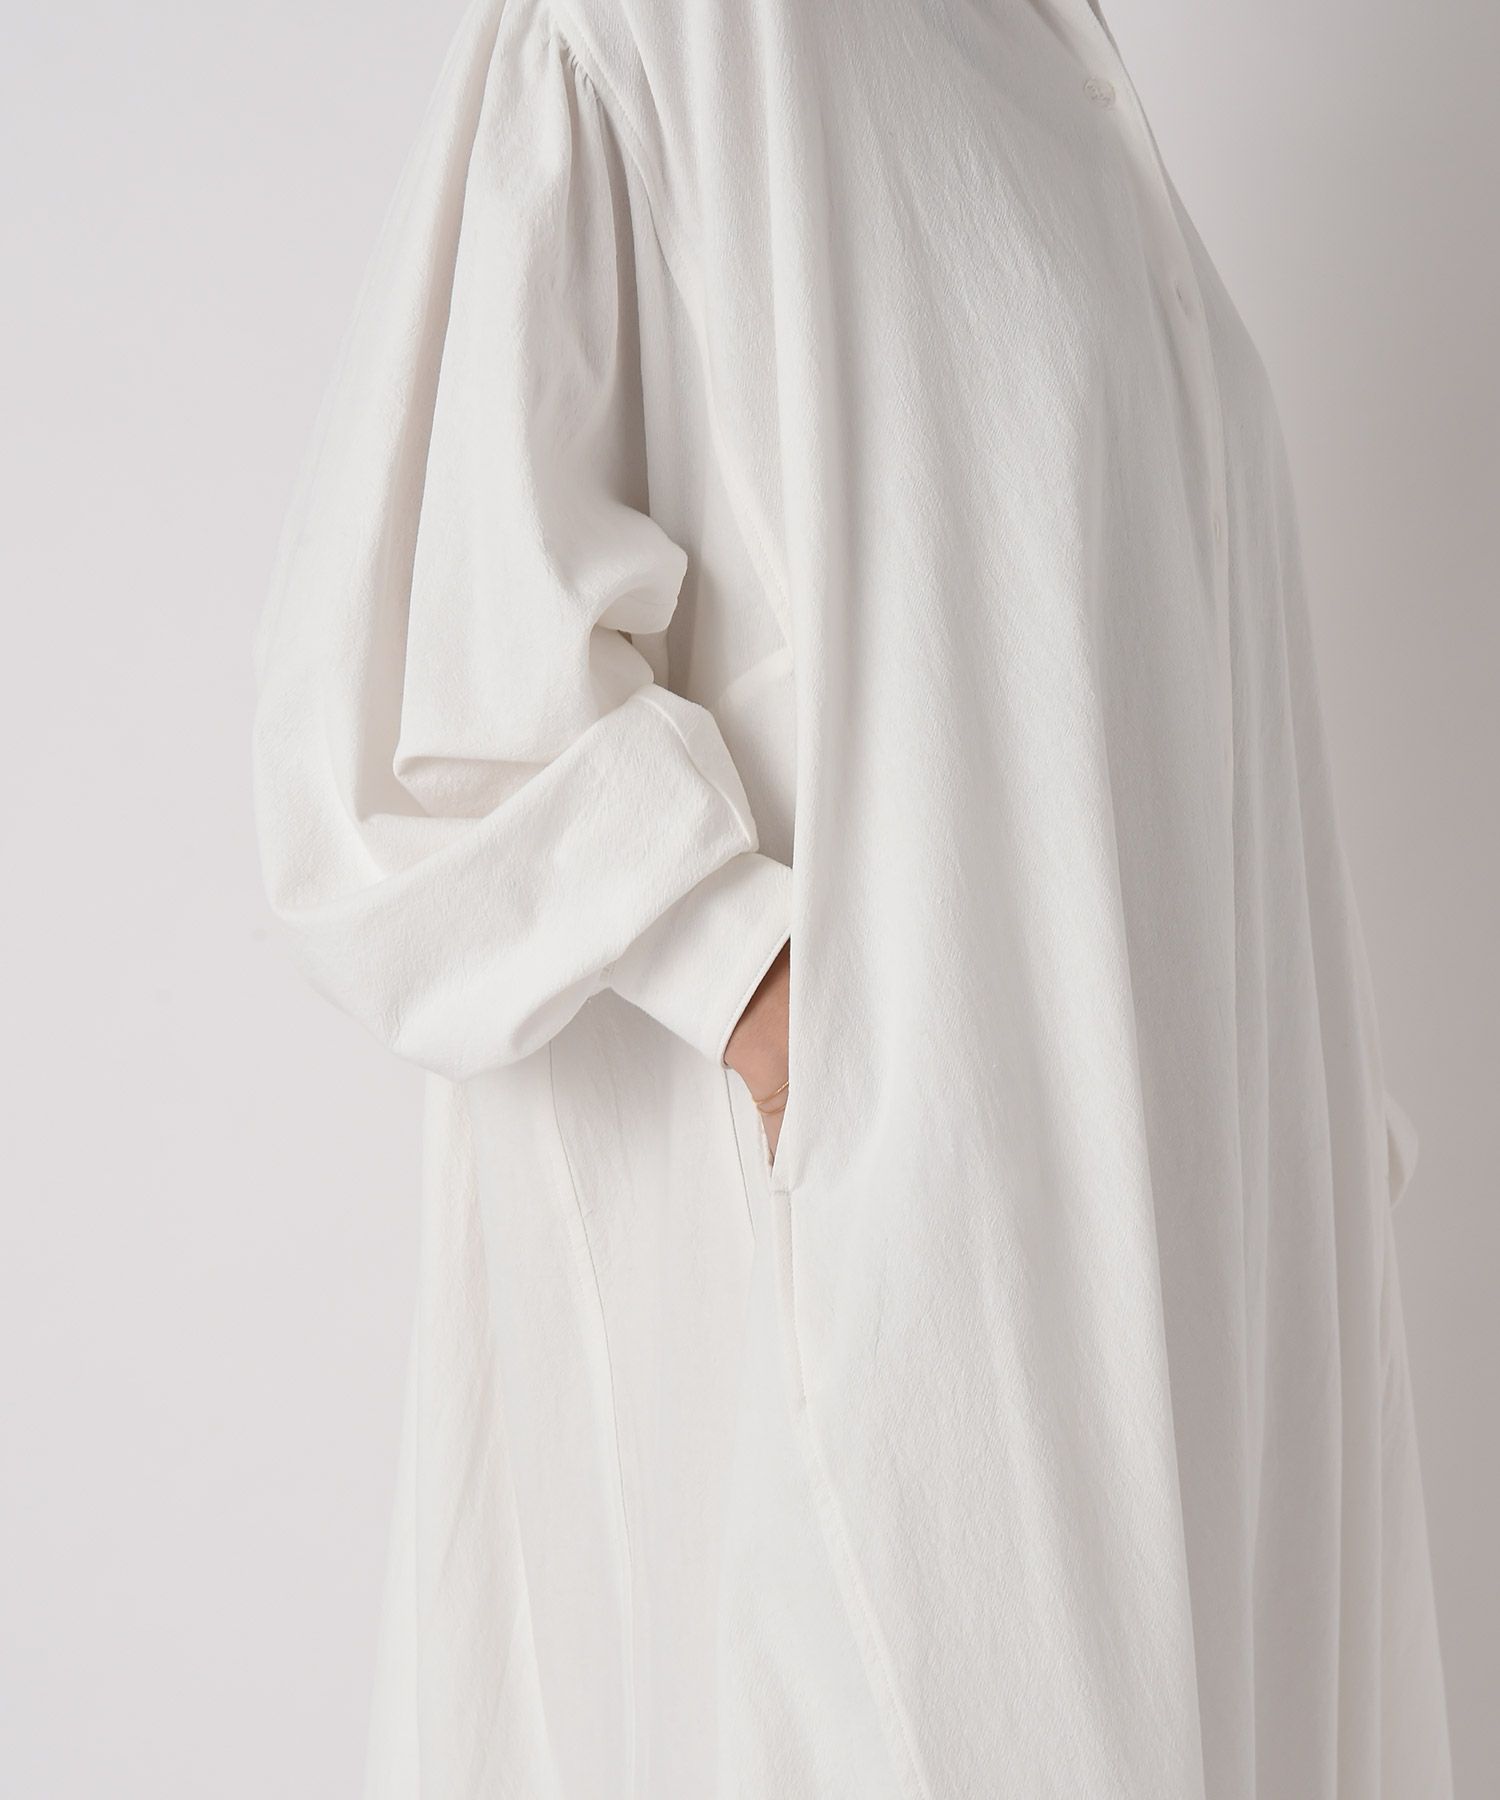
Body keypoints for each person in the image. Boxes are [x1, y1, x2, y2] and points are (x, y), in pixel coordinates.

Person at [250, 0, 1453, 1793]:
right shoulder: (669, 30)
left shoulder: (1058, 65)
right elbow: (407, 702)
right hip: (924, 1313)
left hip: (1185, 1331)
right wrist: (780, 1006)